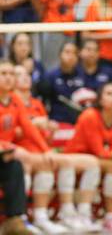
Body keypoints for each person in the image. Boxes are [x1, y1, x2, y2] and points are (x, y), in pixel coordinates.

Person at [13, 65, 102, 232]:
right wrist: (34, 125)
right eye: (18, 75)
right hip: (22, 152)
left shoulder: (37, 103)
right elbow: (10, 133)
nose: (25, 77)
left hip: (42, 150)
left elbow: (43, 137)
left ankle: (79, 213)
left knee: (92, 163)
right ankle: (30, 216)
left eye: (27, 74)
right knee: (53, 163)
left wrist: (50, 130)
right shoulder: (10, 103)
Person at [65, 82, 112, 233]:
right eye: (109, 94)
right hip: (77, 156)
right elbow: (99, 151)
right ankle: (109, 216)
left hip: (98, 158)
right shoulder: (90, 116)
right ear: (100, 100)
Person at [0, 59, 63, 234]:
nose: (8, 77)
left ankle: (16, 220)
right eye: (3, 74)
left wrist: (46, 150)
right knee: (21, 159)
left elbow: (28, 127)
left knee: (15, 167)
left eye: (11, 74)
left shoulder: (14, 99)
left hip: (4, 155)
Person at [39, 42, 86, 124]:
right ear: (60, 55)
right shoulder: (50, 76)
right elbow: (43, 102)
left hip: (79, 122)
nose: (71, 56)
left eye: (74, 53)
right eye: (67, 52)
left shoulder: (83, 75)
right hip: (57, 122)